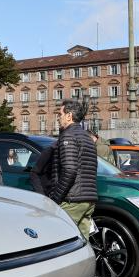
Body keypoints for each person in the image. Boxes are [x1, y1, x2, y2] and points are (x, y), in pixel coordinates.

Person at [50, 98, 98, 238]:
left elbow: (69, 170)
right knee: (82, 243)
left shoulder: (68, 136)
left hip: (72, 200)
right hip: (88, 200)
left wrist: (56, 198)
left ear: (69, 116)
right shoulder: (87, 138)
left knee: (58, 239)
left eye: (60, 114)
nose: (59, 118)